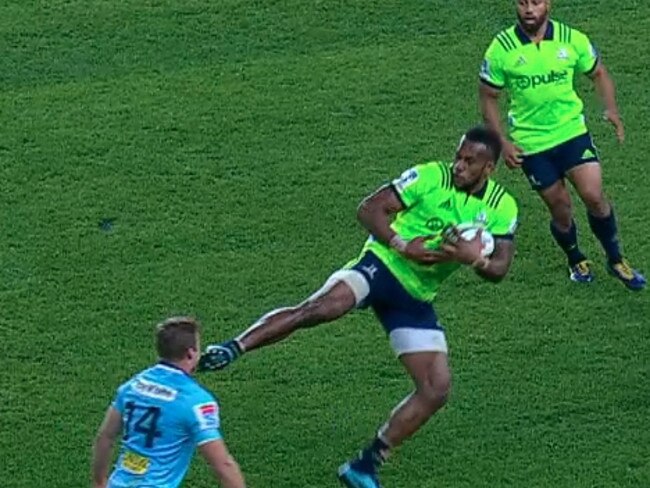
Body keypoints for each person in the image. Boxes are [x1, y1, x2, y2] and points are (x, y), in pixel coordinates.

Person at [199, 126, 519, 488]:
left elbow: (500, 269)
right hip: (382, 264)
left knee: (436, 387)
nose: (458, 165)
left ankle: (366, 464)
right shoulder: (431, 175)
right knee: (322, 307)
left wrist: (472, 259)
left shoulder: (501, 208)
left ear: (489, 169)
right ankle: (233, 348)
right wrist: (401, 244)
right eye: (458, 156)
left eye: (468, 161)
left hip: (415, 296)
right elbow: (369, 209)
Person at [478, 0, 645, 290]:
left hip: (571, 133)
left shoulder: (572, 39)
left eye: (536, 2)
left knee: (594, 196)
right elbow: (488, 96)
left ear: (548, 4)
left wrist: (612, 109)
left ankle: (616, 259)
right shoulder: (501, 47)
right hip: (532, 144)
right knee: (561, 209)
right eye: (522, 3)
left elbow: (599, 73)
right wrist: (503, 141)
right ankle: (575, 258)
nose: (529, 9)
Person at [91, 316, 246, 488]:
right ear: (191, 353)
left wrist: (100, 482)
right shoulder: (195, 401)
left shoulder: (132, 387)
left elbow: (105, 437)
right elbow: (223, 465)